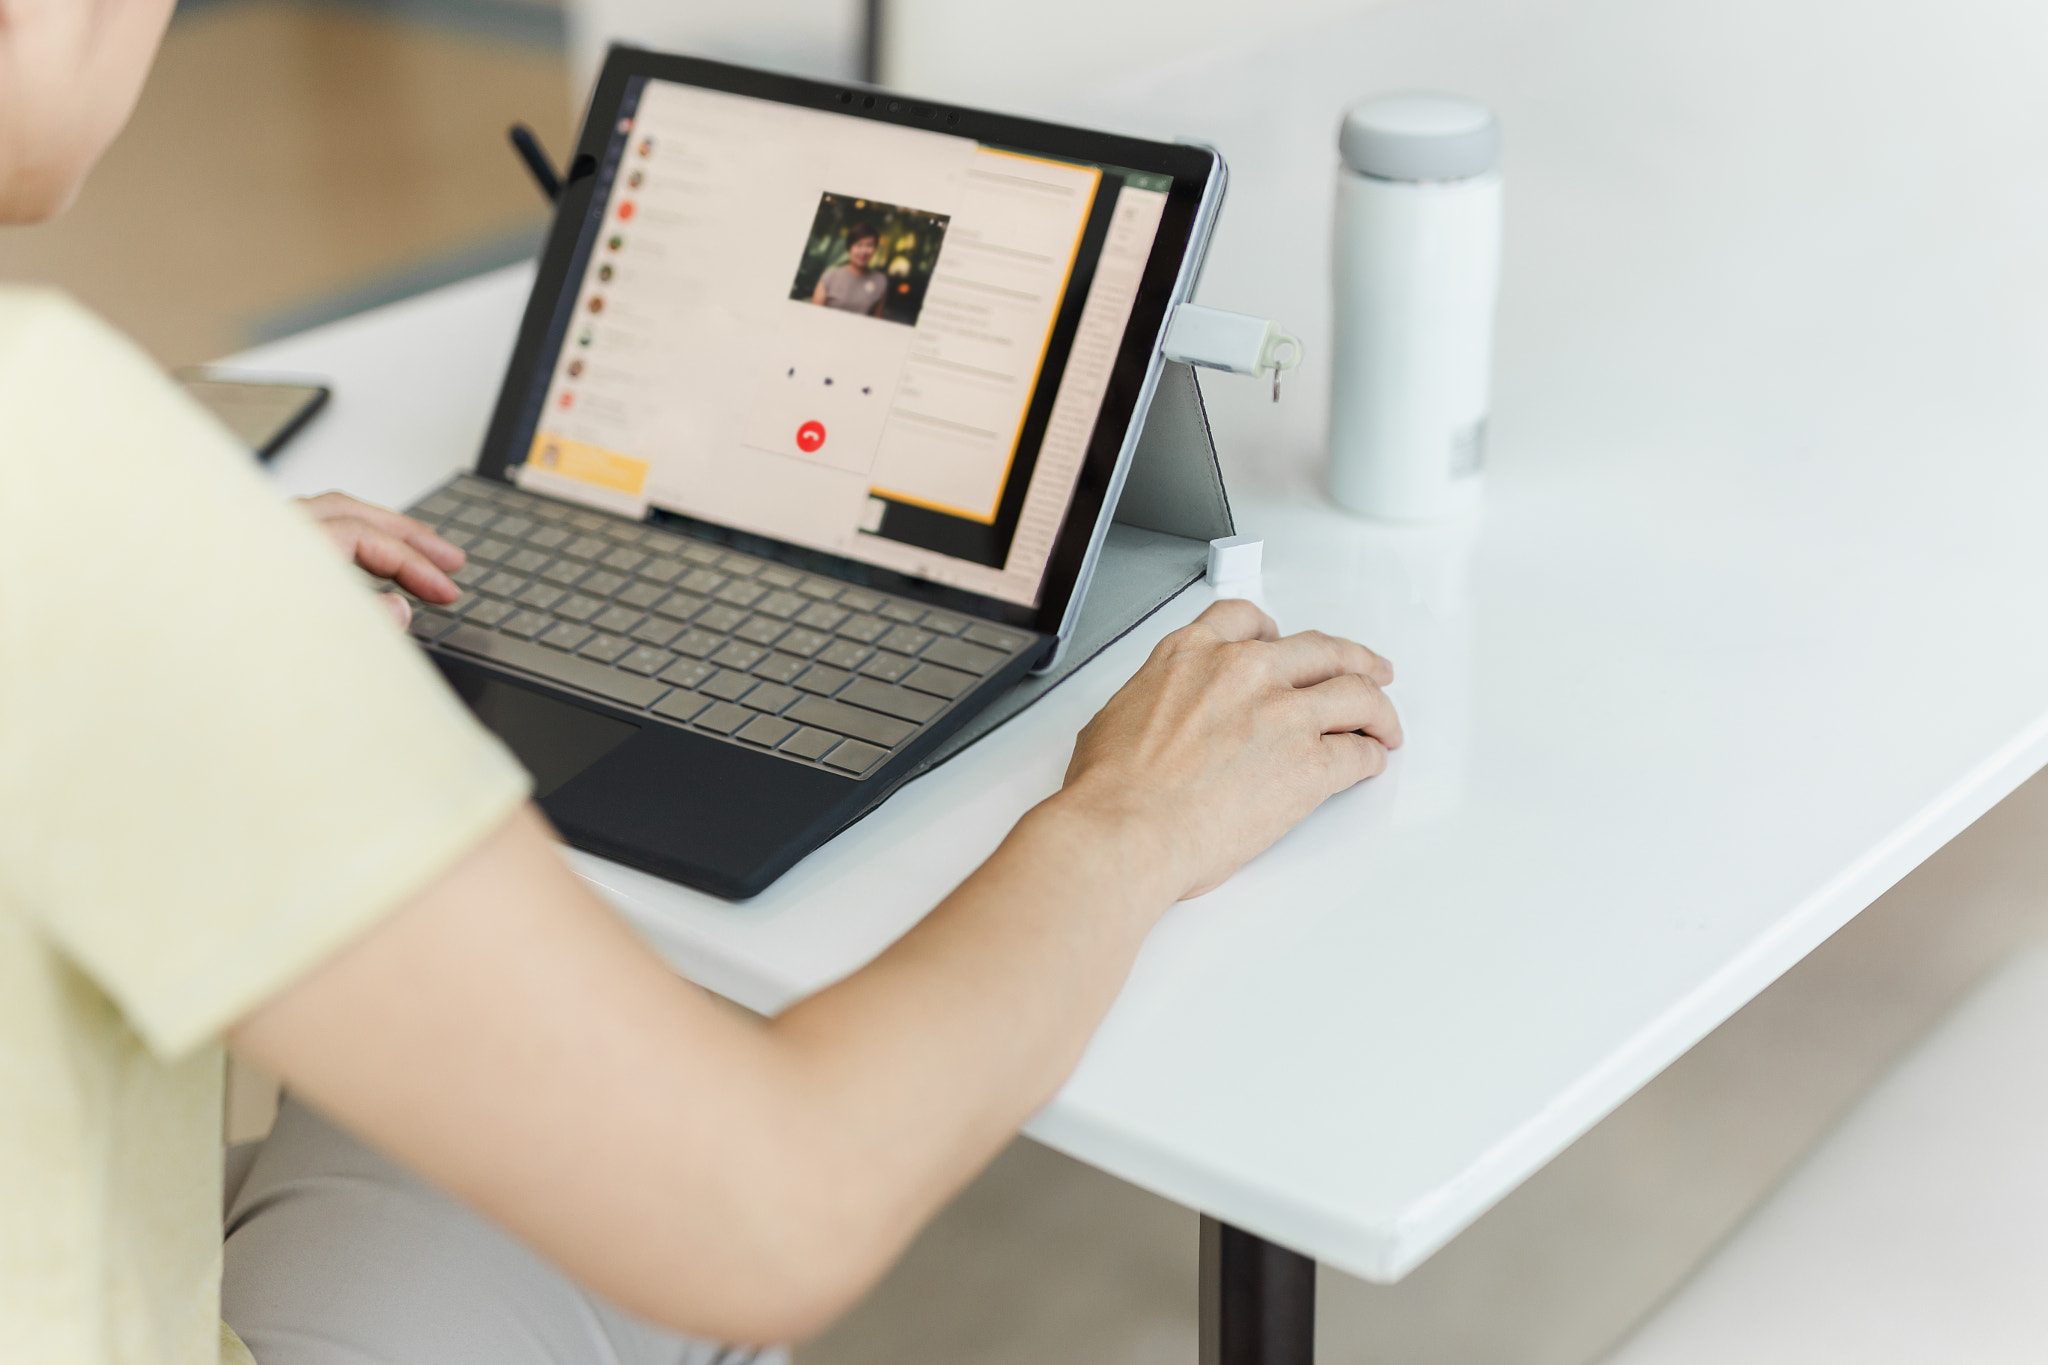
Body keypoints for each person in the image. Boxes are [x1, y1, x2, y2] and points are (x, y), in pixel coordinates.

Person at [0, 4, 1403, 1364]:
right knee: (636, 1168)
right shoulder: (59, 468)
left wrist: (185, 606)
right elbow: (778, 1208)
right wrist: (1128, 817)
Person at [809, 222, 889, 318]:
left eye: (869, 245)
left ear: (874, 249)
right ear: (849, 247)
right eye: (859, 245)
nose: (863, 251)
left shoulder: (880, 281)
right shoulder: (830, 276)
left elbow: (877, 320)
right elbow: (813, 316)